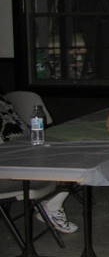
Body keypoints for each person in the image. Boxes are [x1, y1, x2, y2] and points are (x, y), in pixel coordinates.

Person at [0, 90, 78, 234]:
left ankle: (52, 204)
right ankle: (51, 206)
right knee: (67, 164)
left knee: (74, 157)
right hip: (8, 163)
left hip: (22, 148)